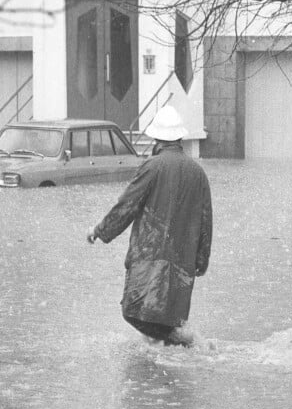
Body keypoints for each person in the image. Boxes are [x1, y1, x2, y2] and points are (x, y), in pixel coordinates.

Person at [87, 105, 212, 347]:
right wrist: (201, 260)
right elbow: (206, 221)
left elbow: (127, 205)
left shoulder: (152, 166)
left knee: (134, 311)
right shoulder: (198, 173)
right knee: (167, 320)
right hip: (182, 263)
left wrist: (99, 231)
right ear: (180, 138)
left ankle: (186, 342)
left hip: (149, 258)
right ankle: (163, 368)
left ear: (157, 138)